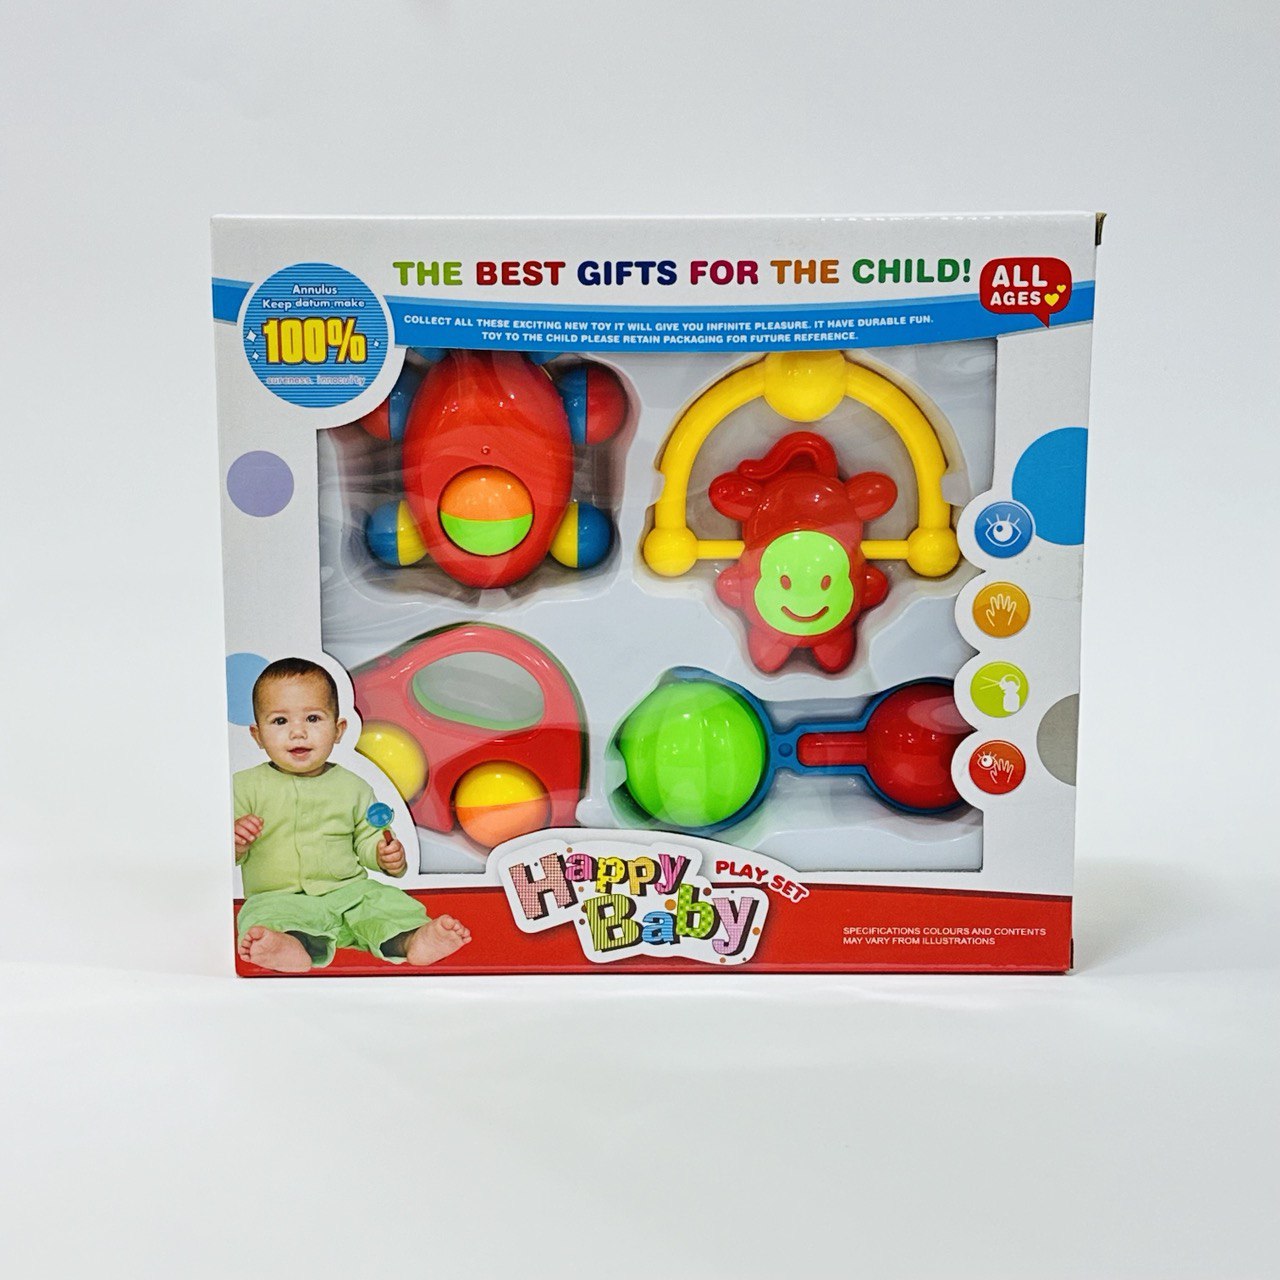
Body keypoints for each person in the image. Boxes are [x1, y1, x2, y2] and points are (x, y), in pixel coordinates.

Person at [232, 657, 471, 971]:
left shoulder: (353, 787)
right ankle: (289, 946)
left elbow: (368, 838)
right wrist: (235, 840)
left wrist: (384, 856)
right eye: (280, 721)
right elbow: (221, 854)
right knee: (259, 915)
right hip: (278, 897)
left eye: (313, 718)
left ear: (338, 729)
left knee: (385, 902)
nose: (298, 732)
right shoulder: (243, 787)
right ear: (257, 735)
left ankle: (412, 939)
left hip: (349, 893)